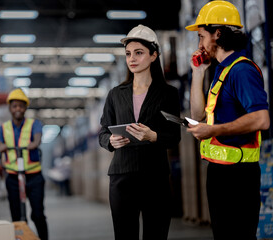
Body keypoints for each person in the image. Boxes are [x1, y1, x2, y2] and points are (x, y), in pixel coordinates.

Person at [185, 1, 270, 239]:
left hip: (239, 178)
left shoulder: (241, 71)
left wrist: (214, 130)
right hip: (221, 173)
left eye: (201, 36)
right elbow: (198, 114)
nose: (199, 44)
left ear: (218, 34)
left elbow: (262, 119)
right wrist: (197, 73)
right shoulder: (221, 70)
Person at [98, 24, 181, 240]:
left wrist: (153, 136)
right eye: (128, 54)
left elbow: (175, 136)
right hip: (122, 176)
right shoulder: (116, 94)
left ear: (154, 55)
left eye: (139, 53)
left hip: (155, 177)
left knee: (156, 234)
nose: (132, 59)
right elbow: (103, 132)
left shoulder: (168, 94)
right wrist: (110, 141)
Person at [0, 88, 48, 240]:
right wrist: (0, 147)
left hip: (34, 177)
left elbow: (37, 138)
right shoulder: (2, 128)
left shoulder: (34, 124)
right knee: (17, 217)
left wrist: (34, 143)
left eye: (21, 106)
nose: (18, 109)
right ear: (10, 108)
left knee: (37, 214)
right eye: (15, 106)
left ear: (25, 108)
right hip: (13, 177)